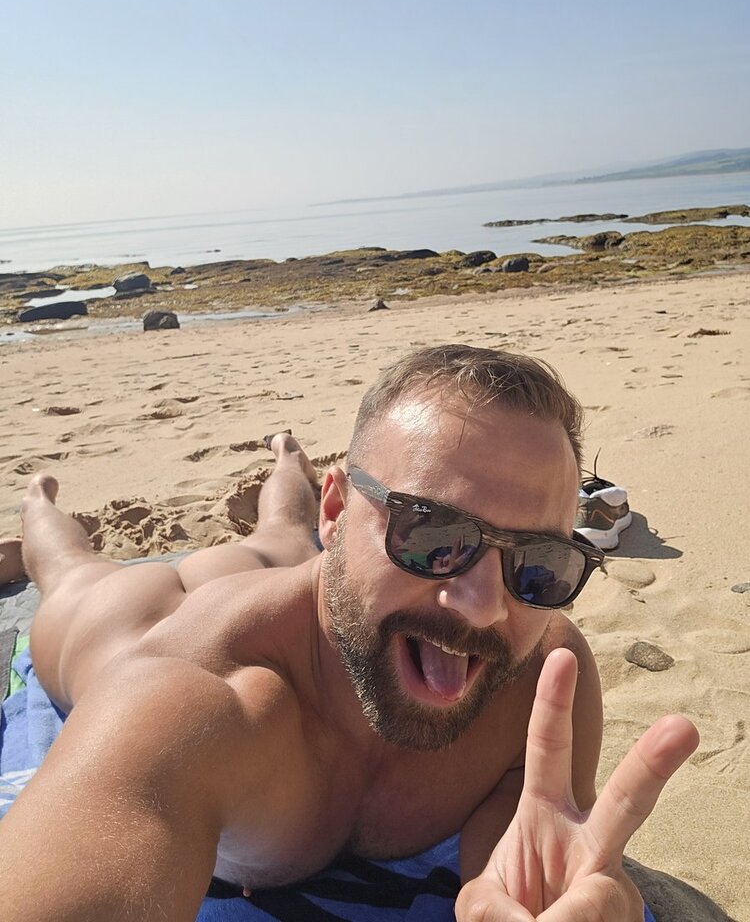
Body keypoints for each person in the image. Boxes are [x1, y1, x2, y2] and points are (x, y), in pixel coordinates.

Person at [0, 344, 698, 922]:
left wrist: (532, 898)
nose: (484, 606)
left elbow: (521, 849)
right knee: (72, 575)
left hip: (305, 577)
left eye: (539, 562)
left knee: (281, 533)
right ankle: (38, 501)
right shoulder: (185, 705)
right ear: (337, 512)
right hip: (130, 618)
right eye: (430, 533)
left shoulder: (543, 680)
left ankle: (286, 458)